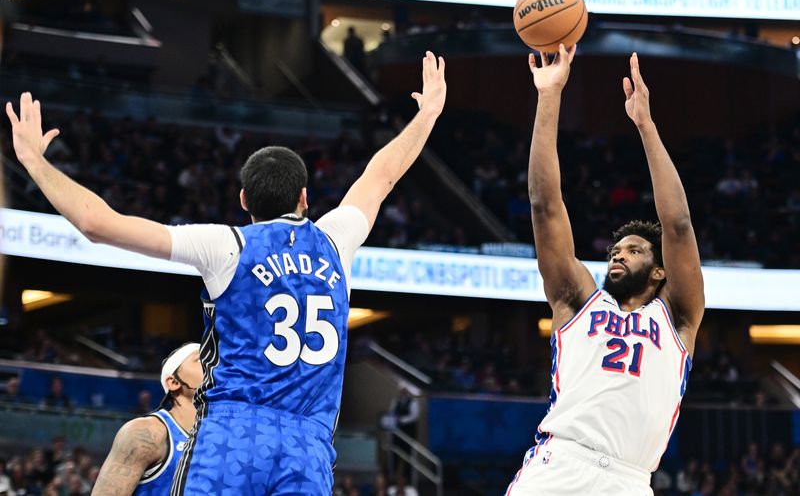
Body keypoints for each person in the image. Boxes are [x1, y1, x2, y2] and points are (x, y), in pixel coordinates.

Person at [7, 50, 447, 496]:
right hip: (308, 444)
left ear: (243, 201)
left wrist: (35, 163)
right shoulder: (337, 239)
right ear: (304, 198)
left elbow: (97, 224)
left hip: (233, 437)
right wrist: (427, 114)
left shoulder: (226, 245)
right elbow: (382, 174)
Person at [505, 47, 704, 495]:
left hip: (630, 480)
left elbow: (678, 225)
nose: (618, 255)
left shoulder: (679, 318)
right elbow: (544, 204)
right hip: (560, 464)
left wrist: (646, 126)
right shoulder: (578, 299)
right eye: (615, 249)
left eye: (633, 251)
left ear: (659, 273)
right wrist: (549, 95)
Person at [92, 343, 201, 496]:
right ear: (174, 382)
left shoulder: (225, 441)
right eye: (201, 359)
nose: (213, 364)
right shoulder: (146, 433)